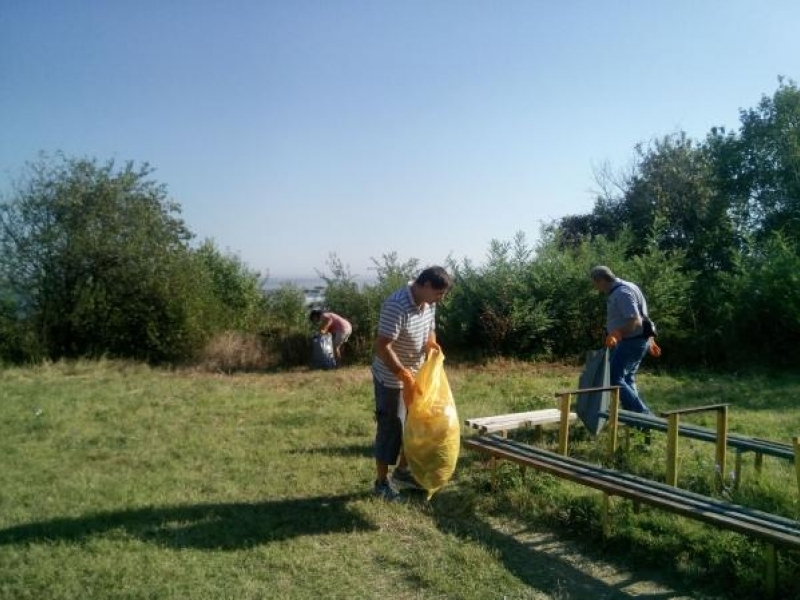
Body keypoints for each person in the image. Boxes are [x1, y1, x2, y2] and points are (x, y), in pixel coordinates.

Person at [370, 265, 452, 501]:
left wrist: (432, 345)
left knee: (415, 425)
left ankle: (403, 472)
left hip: (416, 374)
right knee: (392, 426)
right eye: (439, 293)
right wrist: (402, 374)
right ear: (425, 285)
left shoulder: (429, 303)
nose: (441, 298)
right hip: (390, 377)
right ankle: (381, 483)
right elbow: (382, 346)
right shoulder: (396, 305)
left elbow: (429, 331)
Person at [590, 265, 654, 414]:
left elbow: (636, 321)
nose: (595, 287)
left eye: (594, 283)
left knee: (613, 377)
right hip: (637, 340)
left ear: (601, 280)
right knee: (627, 378)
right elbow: (643, 316)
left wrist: (616, 334)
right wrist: (650, 339)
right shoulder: (627, 287)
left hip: (631, 341)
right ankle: (637, 420)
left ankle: (646, 416)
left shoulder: (622, 292)